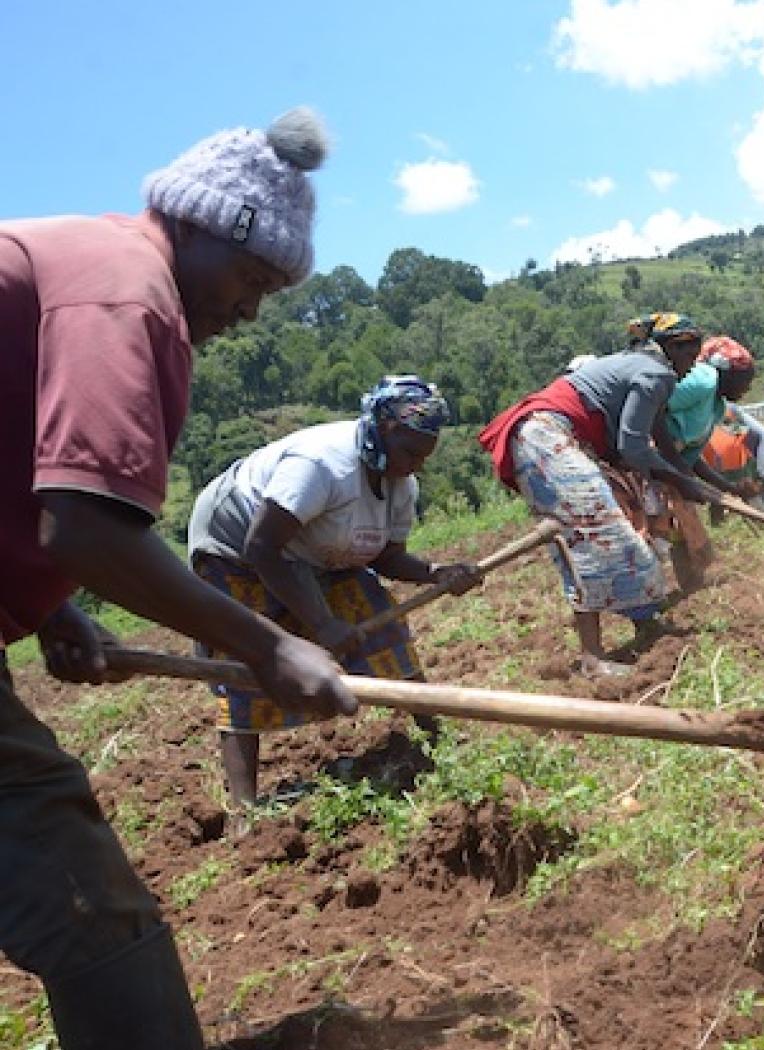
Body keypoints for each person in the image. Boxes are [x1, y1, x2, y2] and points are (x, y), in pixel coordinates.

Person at [0, 109, 351, 1050]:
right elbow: (84, 521)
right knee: (87, 907)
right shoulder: (128, 291)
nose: (249, 311)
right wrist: (268, 644)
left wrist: (47, 606)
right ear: (197, 229)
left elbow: (36, 500)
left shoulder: (78, 265)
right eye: (250, 280)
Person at [187, 376, 478, 808]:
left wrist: (437, 574)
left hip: (316, 550)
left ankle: (438, 743)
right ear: (384, 428)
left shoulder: (401, 483)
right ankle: (243, 807)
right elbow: (262, 547)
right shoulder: (321, 465)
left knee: (385, 629)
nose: (415, 465)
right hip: (237, 549)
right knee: (250, 664)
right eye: (410, 453)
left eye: (423, 457)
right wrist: (321, 623)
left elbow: (384, 557)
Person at [478, 313, 711, 678]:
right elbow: (633, 446)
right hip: (546, 439)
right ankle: (592, 657)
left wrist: (684, 477)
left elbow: (651, 438)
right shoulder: (656, 374)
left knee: (621, 536)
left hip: (549, 438)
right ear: (671, 349)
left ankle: (647, 625)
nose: (691, 368)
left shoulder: (643, 368)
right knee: (591, 536)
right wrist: (680, 481)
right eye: (690, 357)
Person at [656, 336, 762, 586]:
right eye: (745, 379)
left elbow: (692, 460)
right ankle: (646, 603)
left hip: (666, 466)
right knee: (656, 530)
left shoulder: (715, 407)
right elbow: (652, 406)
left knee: (682, 524)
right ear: (727, 374)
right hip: (642, 457)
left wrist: (729, 488)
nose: (747, 387)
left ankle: (691, 588)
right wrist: (673, 463)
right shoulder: (704, 380)